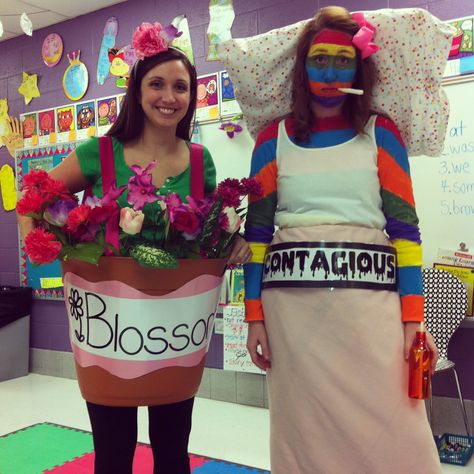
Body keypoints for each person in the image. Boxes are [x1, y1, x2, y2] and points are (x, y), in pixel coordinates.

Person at [17, 21, 251, 474]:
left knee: (171, 451)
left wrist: (234, 240)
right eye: (157, 84)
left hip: (172, 330)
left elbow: (205, 234)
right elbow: (34, 195)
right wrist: (34, 236)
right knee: (113, 453)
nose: (169, 96)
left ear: (191, 96)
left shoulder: (201, 161)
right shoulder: (99, 153)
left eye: (181, 87)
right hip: (113, 329)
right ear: (138, 91)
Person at [243, 6, 442, 473]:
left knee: (395, 427)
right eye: (319, 60)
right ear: (302, 67)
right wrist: (254, 316)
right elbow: (256, 235)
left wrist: (414, 318)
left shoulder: (381, 132)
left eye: (342, 60)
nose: (330, 73)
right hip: (293, 317)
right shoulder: (272, 139)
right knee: (302, 432)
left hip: (371, 311)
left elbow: (406, 232)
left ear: (359, 66)